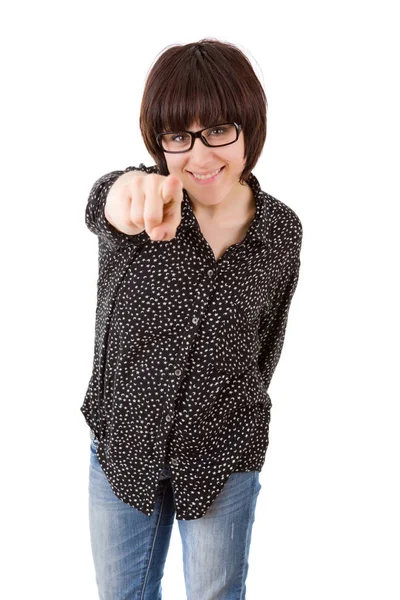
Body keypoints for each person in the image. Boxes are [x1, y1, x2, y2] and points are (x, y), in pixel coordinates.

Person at [81, 38, 303, 600]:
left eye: (220, 131)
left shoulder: (280, 232)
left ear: (251, 125)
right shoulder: (145, 199)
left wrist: (233, 410)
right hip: (124, 443)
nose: (200, 157)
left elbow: (267, 343)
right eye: (179, 137)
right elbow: (108, 203)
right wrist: (128, 196)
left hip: (222, 448)